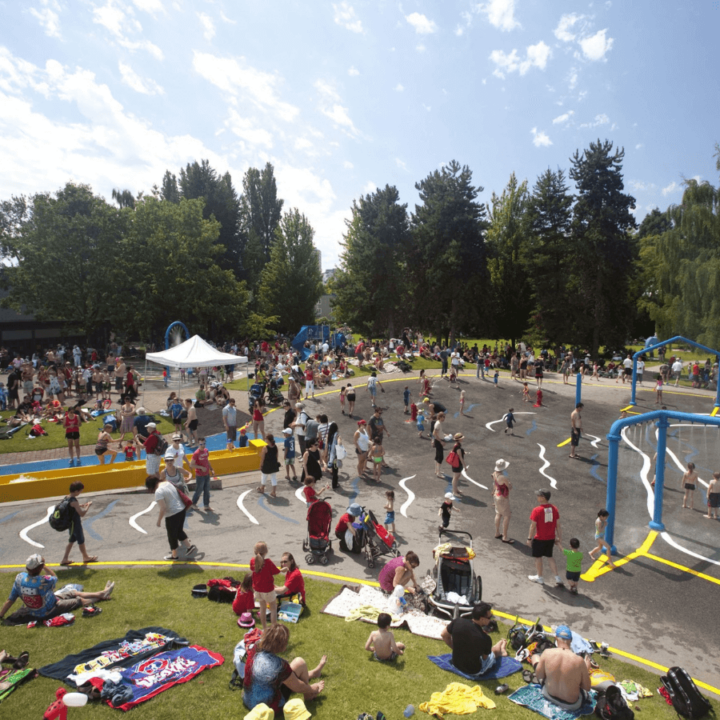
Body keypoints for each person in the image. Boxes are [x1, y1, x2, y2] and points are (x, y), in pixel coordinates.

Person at [0, 554, 114, 624]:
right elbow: (54, 577)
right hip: (49, 610)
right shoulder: (43, 581)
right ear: (40, 568)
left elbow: (10, 600)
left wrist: (0, 615)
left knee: (72, 592)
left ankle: (101, 593)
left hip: (39, 608)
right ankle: (102, 595)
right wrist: (45, 566)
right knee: (79, 600)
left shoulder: (19, 578)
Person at [242, 624, 326, 714]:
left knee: (292, 670)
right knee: (299, 662)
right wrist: (312, 688)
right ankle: (309, 695)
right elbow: (298, 687)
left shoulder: (255, 647)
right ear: (281, 645)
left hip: (248, 699)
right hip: (268, 708)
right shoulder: (280, 665)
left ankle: (314, 673)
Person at [531, 625, 592, 712]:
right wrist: (586, 669)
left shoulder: (547, 653)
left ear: (556, 638)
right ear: (570, 640)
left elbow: (539, 676)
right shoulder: (579, 661)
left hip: (548, 695)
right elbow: (587, 687)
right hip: (571, 704)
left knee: (535, 657)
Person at [440, 602, 508, 677]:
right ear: (482, 619)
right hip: (473, 671)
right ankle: (501, 648)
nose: (491, 619)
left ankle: (501, 645)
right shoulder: (485, 638)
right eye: (490, 617)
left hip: (456, 663)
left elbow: (444, 635)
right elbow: (485, 658)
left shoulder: (457, 621)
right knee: (493, 651)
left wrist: (455, 648)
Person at [145, 475, 197, 561]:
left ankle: (174, 556)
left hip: (172, 514)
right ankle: (189, 547)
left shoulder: (158, 491)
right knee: (179, 531)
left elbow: (163, 508)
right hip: (181, 510)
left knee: (172, 535)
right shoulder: (168, 483)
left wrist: (159, 520)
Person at [527, 488, 564, 587]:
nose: (537, 497)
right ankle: (557, 577)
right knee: (550, 557)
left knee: (538, 557)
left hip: (539, 538)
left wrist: (529, 538)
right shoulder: (554, 509)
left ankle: (540, 577)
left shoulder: (536, 510)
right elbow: (558, 525)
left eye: (539, 495)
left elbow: (533, 526)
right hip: (551, 538)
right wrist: (559, 538)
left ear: (543, 498)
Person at [58, 481, 98, 565]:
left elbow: (71, 506)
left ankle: (65, 559)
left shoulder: (67, 497)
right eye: (80, 491)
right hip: (75, 524)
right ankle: (85, 557)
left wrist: (80, 505)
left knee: (71, 540)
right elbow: (82, 514)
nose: (80, 493)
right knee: (80, 540)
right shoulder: (74, 501)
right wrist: (88, 507)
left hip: (70, 524)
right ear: (76, 491)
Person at [251, 541, 280, 629]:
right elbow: (276, 572)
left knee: (262, 608)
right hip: (268, 590)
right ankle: (273, 629)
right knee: (273, 608)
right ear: (266, 551)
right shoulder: (268, 562)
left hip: (257, 590)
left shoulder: (252, 561)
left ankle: (264, 628)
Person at [190, 438, 215, 512]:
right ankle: (193, 503)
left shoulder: (206, 451)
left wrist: (211, 469)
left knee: (207, 490)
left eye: (204, 444)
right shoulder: (196, 453)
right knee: (199, 490)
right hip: (200, 475)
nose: (202, 445)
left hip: (207, 474)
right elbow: (192, 465)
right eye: (201, 444)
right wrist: (200, 467)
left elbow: (207, 460)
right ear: (198, 444)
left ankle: (206, 506)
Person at [492, 459, 513, 543]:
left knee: (498, 513)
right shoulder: (503, 477)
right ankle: (505, 536)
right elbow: (509, 487)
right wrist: (510, 483)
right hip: (503, 497)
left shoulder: (494, 474)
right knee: (507, 516)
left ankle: (497, 532)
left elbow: (494, 485)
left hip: (496, 495)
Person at [258, 433, 281, 498]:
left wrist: (260, 465)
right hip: (273, 464)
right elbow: (276, 456)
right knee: (273, 478)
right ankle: (273, 491)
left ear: (268, 440)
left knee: (264, 476)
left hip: (267, 465)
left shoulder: (265, 448)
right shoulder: (275, 446)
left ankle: (262, 488)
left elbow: (262, 458)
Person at [432, 411, 447, 477]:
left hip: (438, 441)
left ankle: (436, 471)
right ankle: (438, 473)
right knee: (440, 457)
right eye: (443, 417)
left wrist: (444, 434)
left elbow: (437, 432)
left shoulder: (438, 423)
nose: (444, 419)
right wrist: (441, 441)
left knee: (437, 456)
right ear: (440, 417)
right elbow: (434, 434)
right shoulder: (438, 424)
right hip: (438, 442)